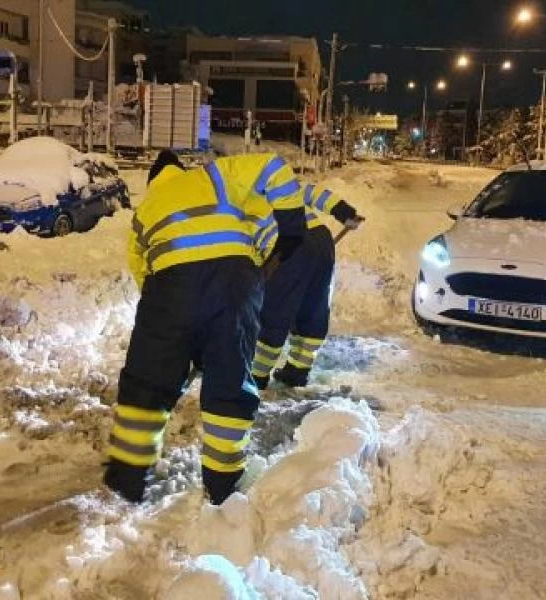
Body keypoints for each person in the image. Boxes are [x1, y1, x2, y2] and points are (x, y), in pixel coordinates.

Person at [105, 150, 307, 505]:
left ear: (153, 181)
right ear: (180, 170)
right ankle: (223, 485)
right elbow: (273, 167)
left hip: (169, 290)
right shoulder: (215, 177)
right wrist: (290, 227)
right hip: (233, 284)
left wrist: (175, 327)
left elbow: (142, 273)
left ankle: (127, 480)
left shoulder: (145, 211)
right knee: (229, 383)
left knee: (147, 383)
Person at [251, 183, 362, 389]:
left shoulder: (237, 210)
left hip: (285, 246)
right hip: (321, 239)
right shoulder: (274, 184)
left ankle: (256, 376)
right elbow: (314, 193)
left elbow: (249, 259)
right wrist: (344, 212)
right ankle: (297, 370)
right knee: (313, 308)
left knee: (274, 311)